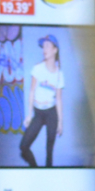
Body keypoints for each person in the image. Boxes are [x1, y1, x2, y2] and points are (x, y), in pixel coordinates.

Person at [20, 36, 66, 167]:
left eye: (47, 46)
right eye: (43, 46)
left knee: (49, 150)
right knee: (24, 146)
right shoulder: (37, 68)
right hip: (38, 113)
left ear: (55, 50)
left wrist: (60, 122)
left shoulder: (59, 74)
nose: (44, 50)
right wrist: (29, 115)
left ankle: (47, 174)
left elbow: (58, 99)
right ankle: (35, 169)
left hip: (51, 113)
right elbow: (32, 92)